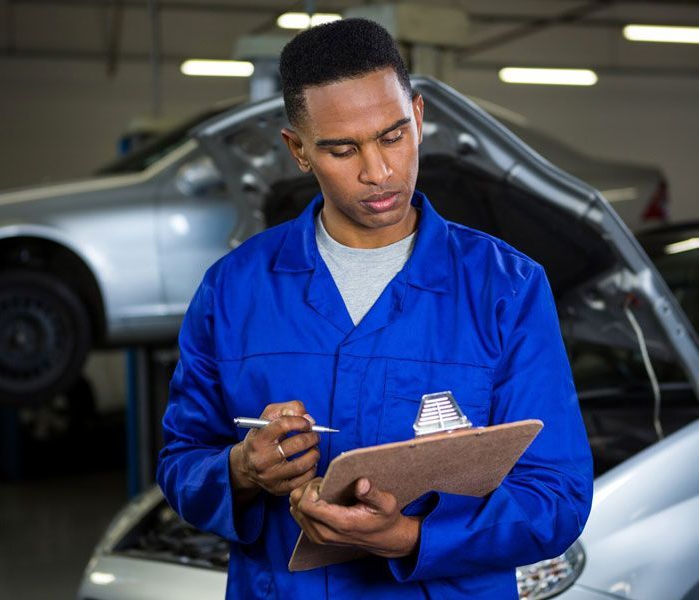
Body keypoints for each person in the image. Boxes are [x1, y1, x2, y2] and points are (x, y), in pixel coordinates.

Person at [157, 18, 593, 600]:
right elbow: (181, 462)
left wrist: (411, 537)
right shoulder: (233, 291)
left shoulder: (505, 289)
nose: (378, 172)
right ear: (299, 151)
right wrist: (240, 470)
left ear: (417, 117)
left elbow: (558, 496)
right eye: (342, 149)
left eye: (392, 136)